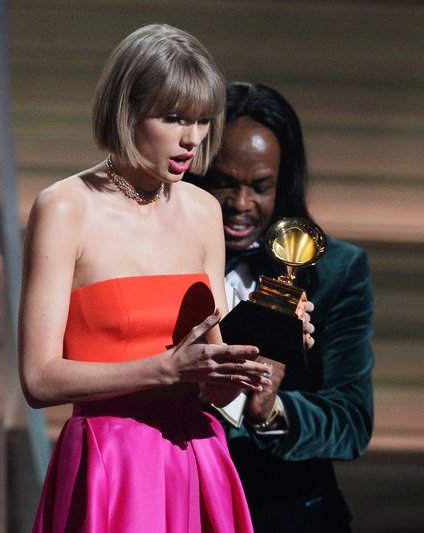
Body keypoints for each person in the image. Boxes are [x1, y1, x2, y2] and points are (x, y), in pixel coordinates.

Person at [17, 24, 304, 533]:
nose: (192, 138)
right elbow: (39, 379)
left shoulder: (202, 210)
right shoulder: (65, 207)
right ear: (126, 110)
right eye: (173, 118)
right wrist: (167, 369)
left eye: (199, 121)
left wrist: (265, 341)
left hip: (198, 454)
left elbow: (215, 387)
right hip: (112, 461)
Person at [187, 82, 374, 532]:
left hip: (286, 513)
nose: (241, 204)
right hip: (180, 503)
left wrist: (270, 411)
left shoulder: (337, 272)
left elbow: (351, 420)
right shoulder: (162, 262)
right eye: (225, 183)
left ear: (283, 184)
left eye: (261, 186)